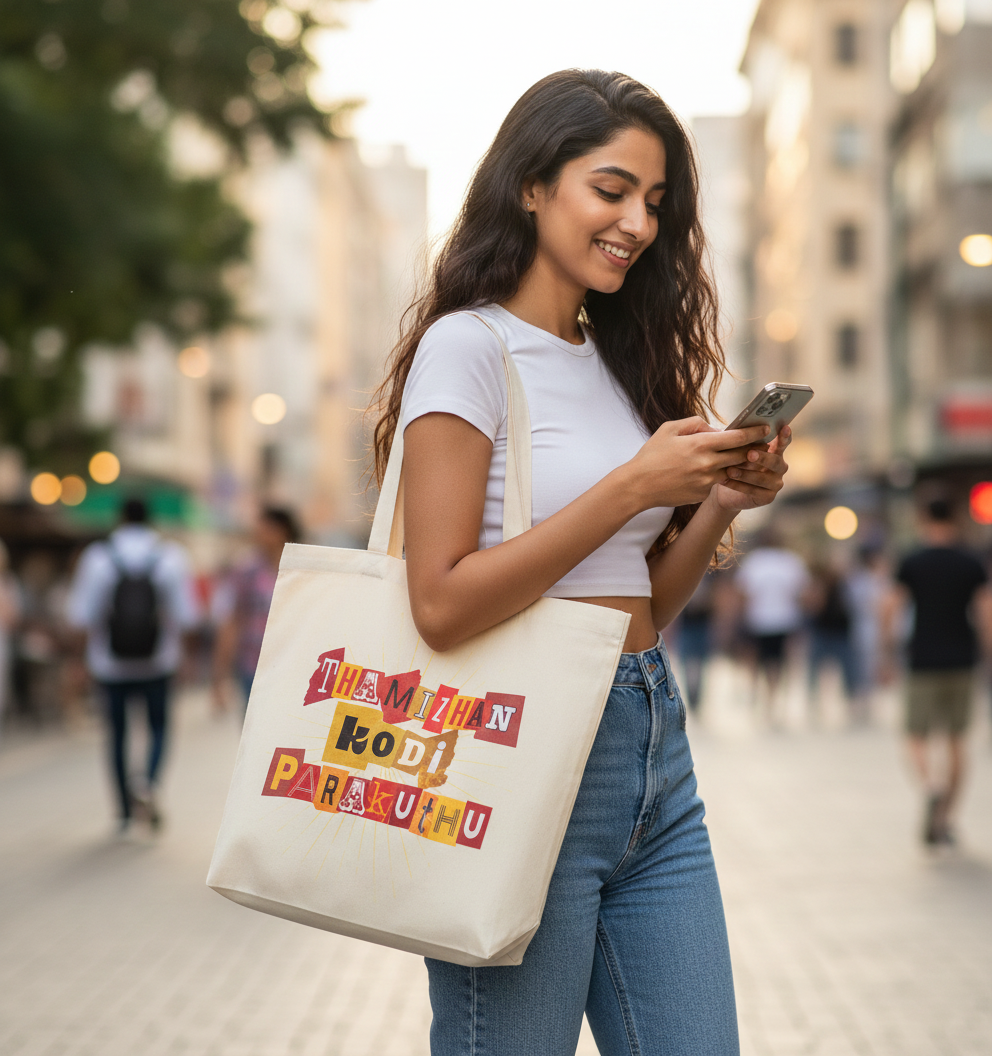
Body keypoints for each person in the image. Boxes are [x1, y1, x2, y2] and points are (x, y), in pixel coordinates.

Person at [372, 70, 792, 1056]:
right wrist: (634, 487)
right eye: (611, 189)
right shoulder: (467, 349)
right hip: (511, 756)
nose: (637, 223)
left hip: (650, 747)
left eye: (655, 201)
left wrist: (715, 503)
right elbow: (439, 603)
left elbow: (638, 603)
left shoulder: (616, 358)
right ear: (530, 184)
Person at [67, 497, 198, 832]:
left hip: (109, 664)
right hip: (159, 661)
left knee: (117, 734)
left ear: (120, 518)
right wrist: (187, 658)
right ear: (150, 519)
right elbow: (187, 616)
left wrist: (77, 662)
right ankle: (148, 783)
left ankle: (124, 812)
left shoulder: (98, 557)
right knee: (159, 727)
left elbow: (81, 617)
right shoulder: (170, 556)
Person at [882, 498, 992, 846]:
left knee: (916, 734)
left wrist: (886, 651)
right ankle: (946, 818)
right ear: (955, 517)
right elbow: (986, 611)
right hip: (962, 659)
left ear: (923, 517)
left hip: (922, 659)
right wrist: (987, 653)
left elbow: (890, 606)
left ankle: (931, 786)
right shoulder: (971, 560)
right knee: (957, 740)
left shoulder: (912, 560)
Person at [212, 506, 299, 710]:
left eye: (266, 529)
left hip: (292, 665)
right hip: (254, 666)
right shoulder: (246, 570)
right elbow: (232, 621)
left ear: (283, 531)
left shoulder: (301, 571)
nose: (260, 535)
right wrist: (219, 677)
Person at [734, 528, 810, 721]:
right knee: (777, 662)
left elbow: (743, 593)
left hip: (758, 619)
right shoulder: (790, 561)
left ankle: (756, 693)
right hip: (784, 620)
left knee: (755, 659)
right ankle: (772, 699)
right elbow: (802, 593)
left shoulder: (754, 562)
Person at [805, 560, 856, 722]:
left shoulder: (847, 586)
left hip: (840, 633)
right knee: (815, 670)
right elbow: (813, 607)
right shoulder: (819, 587)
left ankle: (850, 703)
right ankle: (815, 703)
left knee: (848, 671)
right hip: (823, 632)